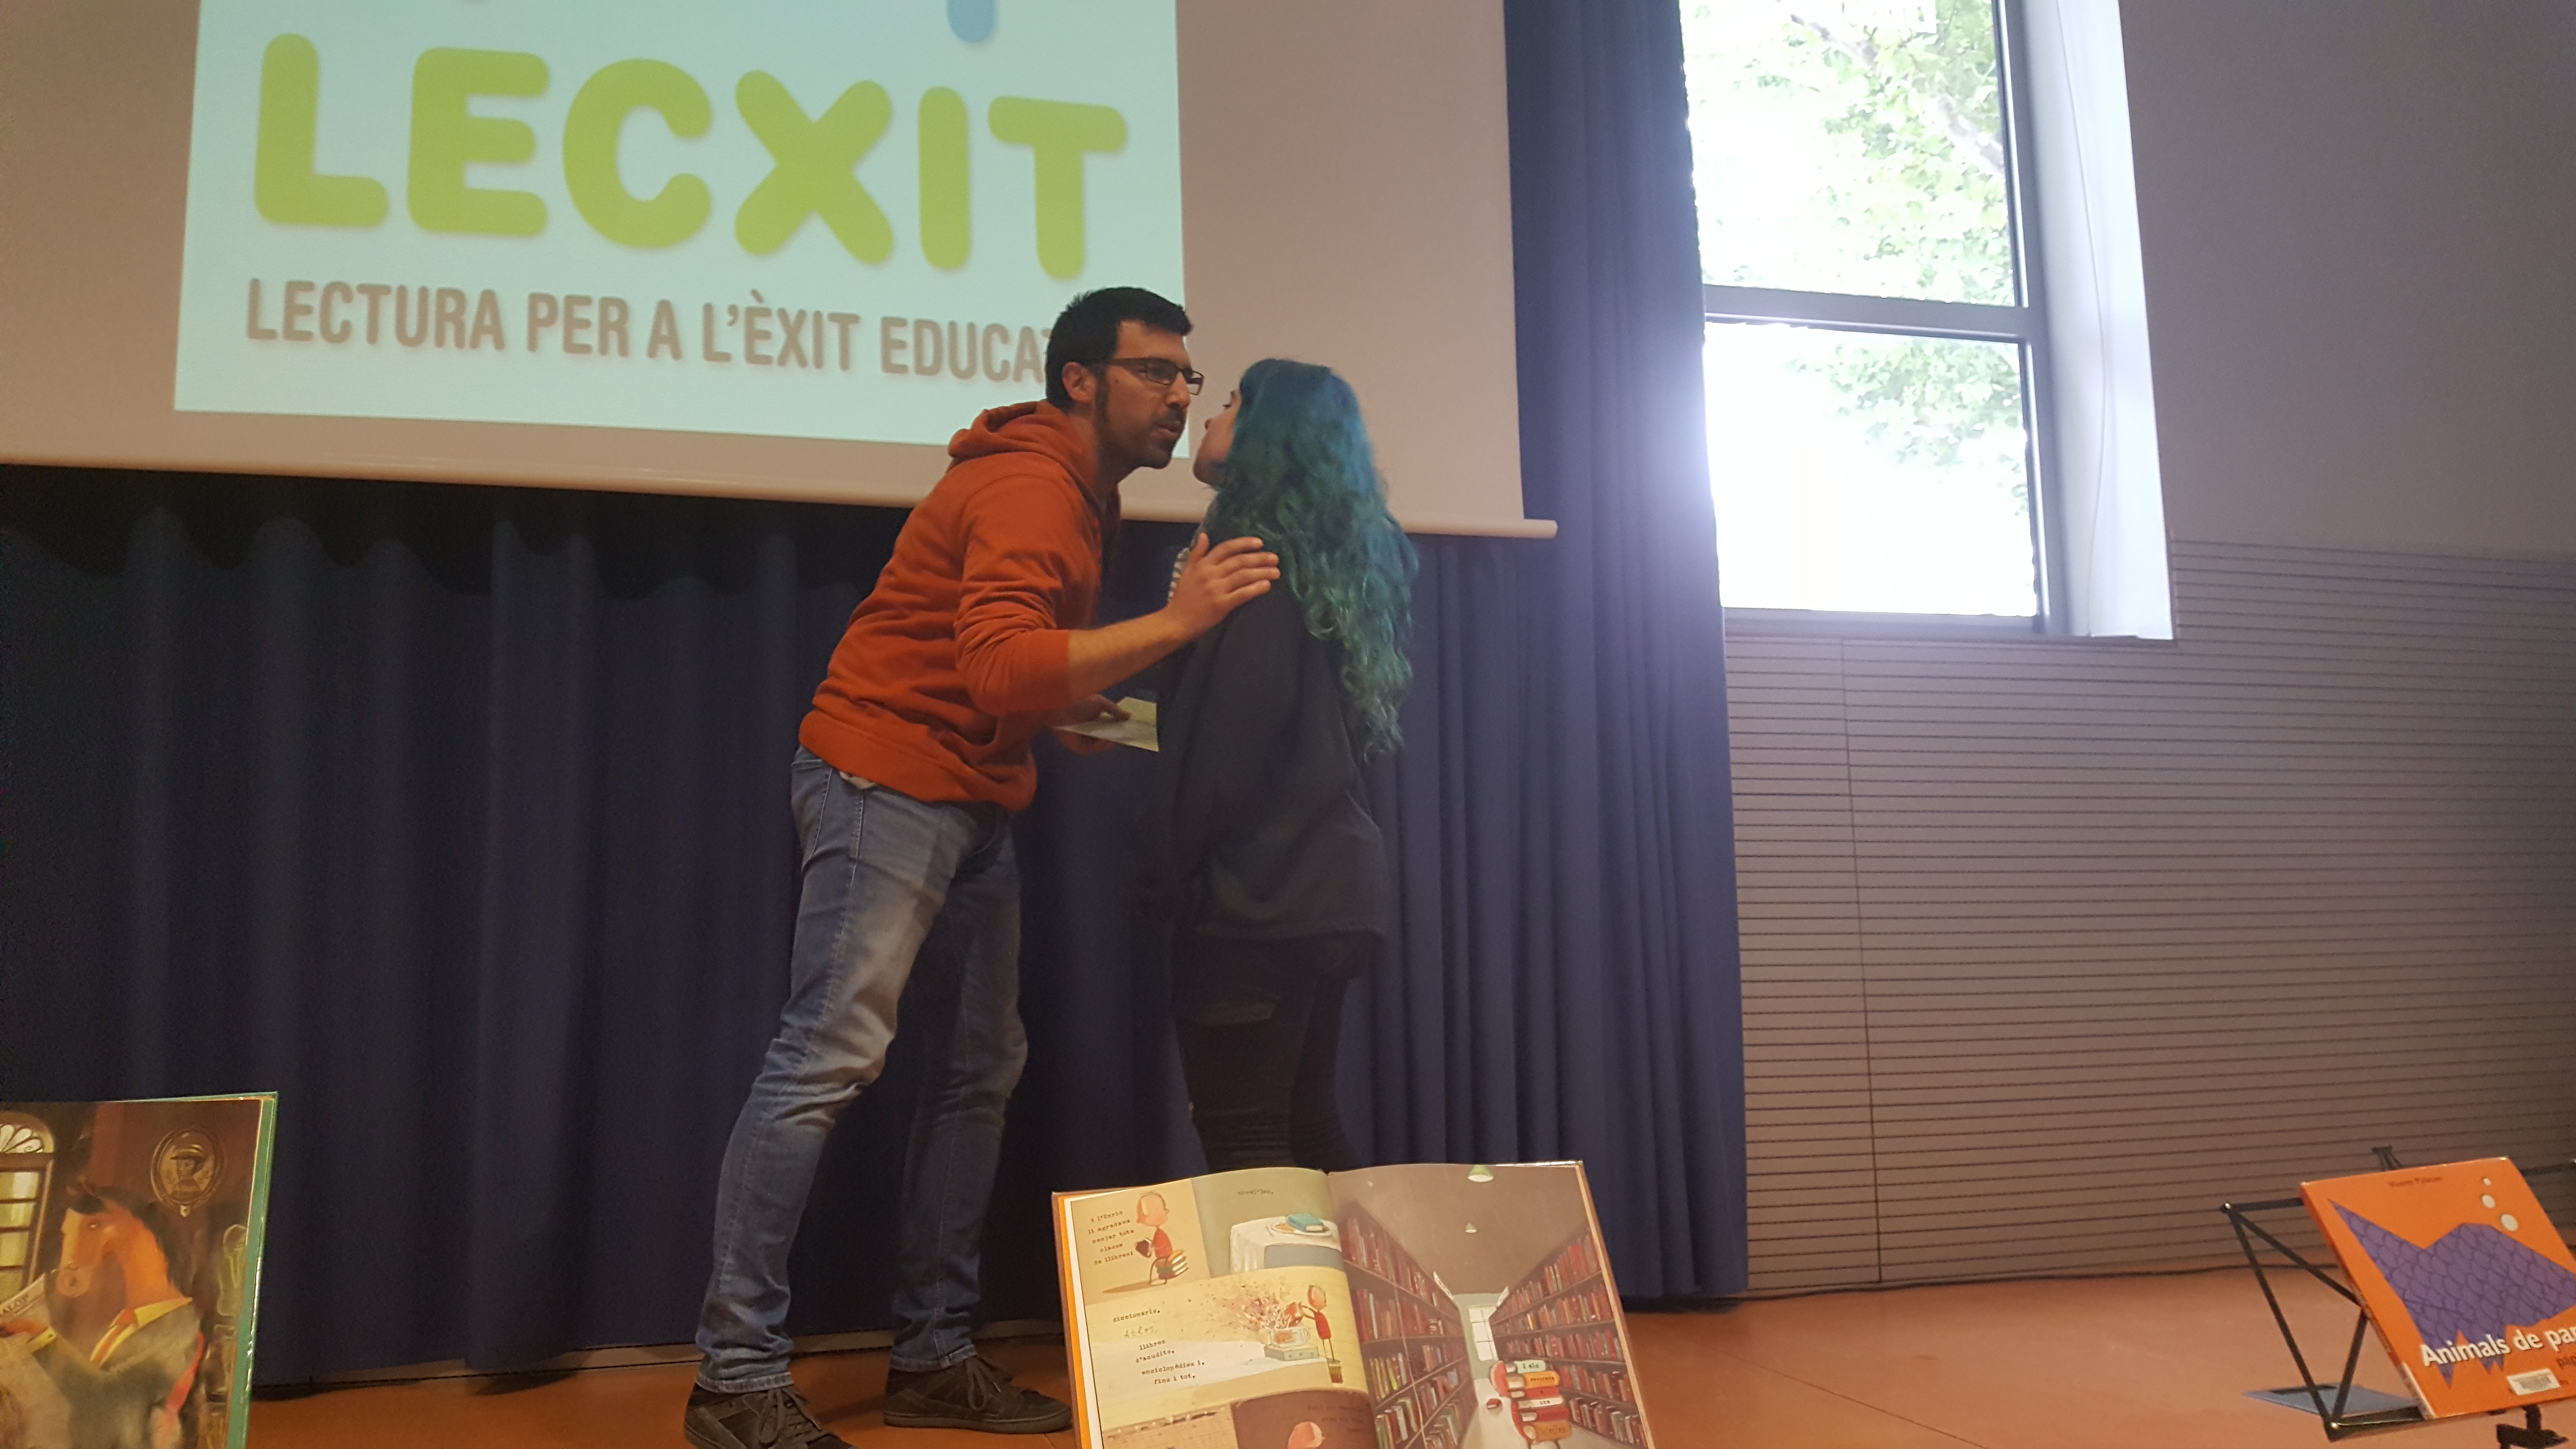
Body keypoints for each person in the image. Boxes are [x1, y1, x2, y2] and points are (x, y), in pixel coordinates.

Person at [685, 288, 1280, 1448]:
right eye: (1155, 373)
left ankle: (932, 1356)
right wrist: (1178, 623)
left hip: (966, 794)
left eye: (1188, 380)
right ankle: (734, 1378)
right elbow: (1001, 665)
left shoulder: (1079, 491)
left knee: (976, 1071)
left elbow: (1002, 670)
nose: (1178, 397)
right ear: (1080, 381)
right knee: (825, 1059)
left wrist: (1064, 707)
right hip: (885, 782)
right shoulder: (1029, 486)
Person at [1141, 360, 1416, 1175]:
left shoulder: (1249, 561)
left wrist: (1161, 875)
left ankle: (1302, 1280)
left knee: (1248, 1141)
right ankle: (1363, 1270)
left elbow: (1230, 749)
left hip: (1258, 899)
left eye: (1229, 404)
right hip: (1324, 891)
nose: (1206, 416)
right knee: (1304, 1123)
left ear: (1268, 436)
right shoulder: (1325, 565)